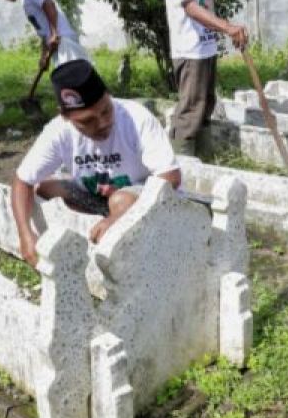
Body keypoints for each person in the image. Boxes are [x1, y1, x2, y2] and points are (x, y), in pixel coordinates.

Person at [11, 59, 180, 267]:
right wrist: (25, 234)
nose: (103, 123)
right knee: (44, 187)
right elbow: (22, 181)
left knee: (120, 200)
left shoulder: (136, 118)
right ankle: (100, 220)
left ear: (109, 96)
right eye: (87, 121)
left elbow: (171, 176)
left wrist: (117, 218)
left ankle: (111, 221)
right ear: (65, 116)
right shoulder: (57, 132)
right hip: (95, 198)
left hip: (139, 199)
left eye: (106, 111)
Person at [164, 0, 249, 155]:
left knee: (206, 106)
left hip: (206, 44)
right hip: (189, 49)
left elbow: (207, 0)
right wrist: (227, 27)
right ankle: (181, 170)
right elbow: (191, 7)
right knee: (190, 111)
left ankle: (204, 164)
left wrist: (223, 29)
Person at [0, 0, 90, 70]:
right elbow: (43, 32)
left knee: (75, 82)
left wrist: (54, 34)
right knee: (75, 83)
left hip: (63, 42)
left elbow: (48, 3)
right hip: (57, 46)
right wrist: (44, 56)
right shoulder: (24, 0)